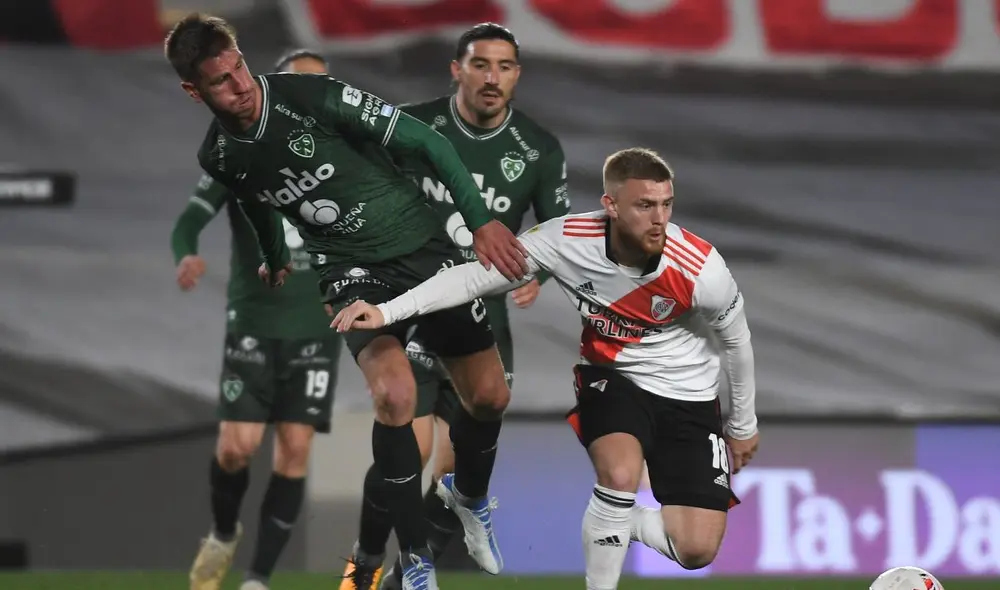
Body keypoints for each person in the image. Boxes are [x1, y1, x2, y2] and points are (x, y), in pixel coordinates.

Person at [164, 13, 528, 590]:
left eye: (240, 69)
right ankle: (414, 564)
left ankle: (468, 498)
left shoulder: (309, 96)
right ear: (193, 91)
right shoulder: (219, 156)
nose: (240, 87)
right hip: (350, 270)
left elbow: (428, 140)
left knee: (489, 396)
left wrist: (481, 223)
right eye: (221, 82)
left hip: (421, 246)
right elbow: (255, 196)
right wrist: (275, 254)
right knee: (394, 396)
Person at [332, 148, 760, 590]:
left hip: (689, 395)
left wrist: (743, 423)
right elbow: (471, 278)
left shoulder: (700, 267)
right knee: (618, 475)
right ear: (610, 205)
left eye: (666, 204)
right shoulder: (566, 240)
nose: (659, 218)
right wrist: (388, 311)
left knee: (695, 549)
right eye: (645, 205)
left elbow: (737, 341)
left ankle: (619, 524)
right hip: (612, 378)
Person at [340, 22, 571, 590]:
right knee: (409, 446)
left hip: (484, 317)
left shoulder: (537, 149)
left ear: (517, 75)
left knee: (454, 466)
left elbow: (554, 232)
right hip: (415, 305)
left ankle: (402, 577)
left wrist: (535, 273)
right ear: (456, 69)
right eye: (480, 65)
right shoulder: (411, 125)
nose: (492, 78)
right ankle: (365, 562)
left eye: (505, 67)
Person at [172, 48, 338, 590]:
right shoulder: (237, 152)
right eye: (296, 85)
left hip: (316, 330)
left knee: (294, 450)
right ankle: (222, 533)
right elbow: (189, 221)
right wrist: (187, 253)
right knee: (235, 448)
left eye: (318, 86)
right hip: (253, 323)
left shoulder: (345, 159)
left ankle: (257, 580)